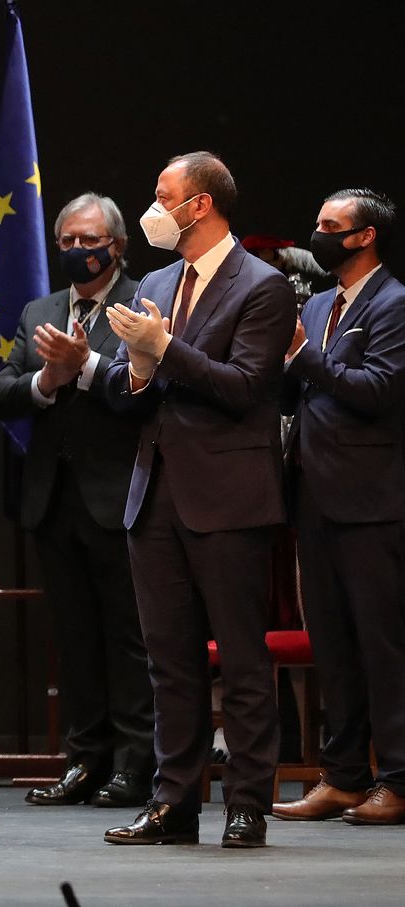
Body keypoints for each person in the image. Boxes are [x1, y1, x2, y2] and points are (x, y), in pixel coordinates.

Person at [101, 152, 296, 848]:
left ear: (202, 205)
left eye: (165, 195)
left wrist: (165, 349)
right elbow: (132, 392)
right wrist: (142, 367)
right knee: (169, 661)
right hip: (154, 494)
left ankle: (247, 802)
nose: (155, 206)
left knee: (242, 659)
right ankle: (173, 801)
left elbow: (246, 386)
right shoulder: (156, 278)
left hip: (229, 496)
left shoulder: (264, 287)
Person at [0, 193, 154, 810]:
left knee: (128, 639)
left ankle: (137, 766)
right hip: (52, 501)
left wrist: (85, 369)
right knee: (76, 640)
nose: (79, 251)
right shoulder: (41, 310)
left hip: (120, 499)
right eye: (68, 242)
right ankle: (86, 762)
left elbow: (144, 393)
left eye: (90, 241)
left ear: (117, 245)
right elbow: (1, 392)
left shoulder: (143, 303)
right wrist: (46, 380)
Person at [274, 189, 405, 825]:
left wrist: (304, 357)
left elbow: (377, 391)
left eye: (331, 226)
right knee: (333, 644)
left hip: (372, 500)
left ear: (365, 238)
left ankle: (399, 779)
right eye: (317, 222)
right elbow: (302, 389)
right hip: (314, 496)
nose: (318, 234)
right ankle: (346, 775)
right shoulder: (321, 303)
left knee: (383, 645)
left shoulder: (396, 304)